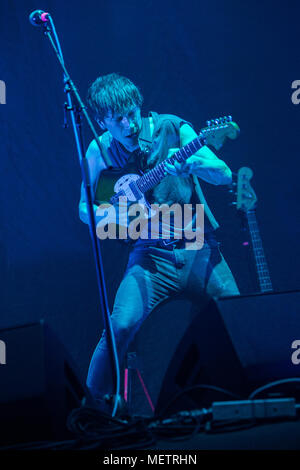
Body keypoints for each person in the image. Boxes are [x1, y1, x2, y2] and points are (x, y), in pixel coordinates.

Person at [79, 73, 239, 412]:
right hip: (148, 257)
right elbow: (84, 207)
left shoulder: (174, 128)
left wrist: (195, 162)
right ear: (102, 120)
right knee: (119, 325)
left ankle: (252, 395)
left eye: (132, 112)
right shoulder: (100, 148)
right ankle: (91, 411)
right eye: (118, 118)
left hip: (196, 246)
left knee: (235, 313)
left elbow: (223, 173)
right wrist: (112, 218)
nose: (129, 123)